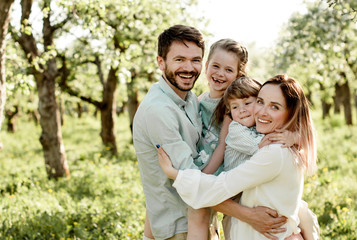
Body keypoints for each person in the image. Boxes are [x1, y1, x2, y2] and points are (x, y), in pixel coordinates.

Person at [133, 25, 287, 240]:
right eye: (179, 59)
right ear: (161, 62)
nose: (188, 67)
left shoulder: (190, 101)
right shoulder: (161, 110)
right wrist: (249, 216)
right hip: (179, 225)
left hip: (214, 205)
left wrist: (293, 136)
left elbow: (273, 118)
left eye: (194, 60)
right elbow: (191, 180)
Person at [157, 74, 318, 239]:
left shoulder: (275, 151)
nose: (262, 112)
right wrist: (298, 137)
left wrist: (174, 174)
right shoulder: (284, 144)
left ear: (291, 113)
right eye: (261, 102)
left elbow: (219, 187)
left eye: (274, 107)